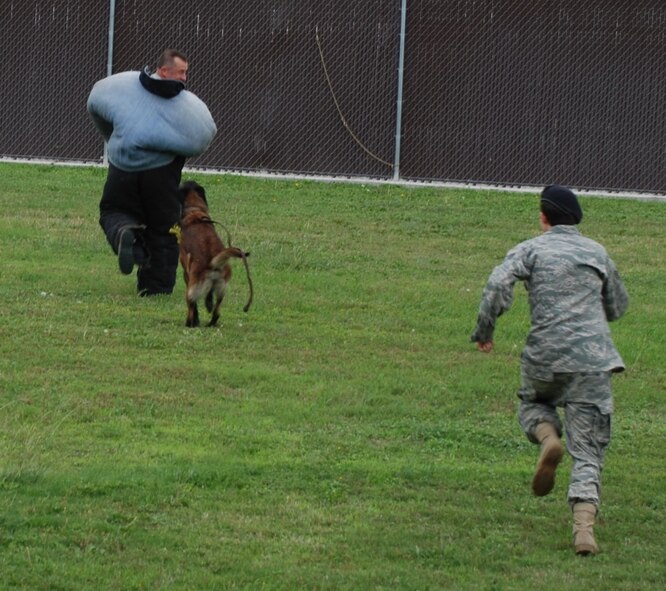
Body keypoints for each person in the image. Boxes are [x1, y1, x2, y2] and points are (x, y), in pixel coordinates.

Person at [470, 185, 629, 556]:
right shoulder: (597, 252)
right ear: (577, 220)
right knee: (588, 451)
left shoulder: (531, 249)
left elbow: (496, 284)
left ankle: (547, 438)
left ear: (543, 217)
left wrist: (485, 331)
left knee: (532, 403)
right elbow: (618, 306)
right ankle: (583, 531)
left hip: (545, 356)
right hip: (593, 361)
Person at [87, 49, 217, 296]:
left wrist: (115, 140)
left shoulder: (118, 86)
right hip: (161, 175)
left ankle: (128, 236)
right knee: (164, 229)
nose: (185, 78)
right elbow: (203, 137)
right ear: (164, 71)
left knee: (114, 211)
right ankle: (155, 288)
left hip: (121, 169)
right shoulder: (188, 107)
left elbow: (96, 107)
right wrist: (171, 151)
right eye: (181, 72)